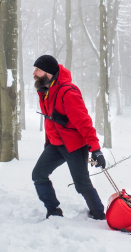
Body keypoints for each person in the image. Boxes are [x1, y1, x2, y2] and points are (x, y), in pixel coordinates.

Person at [32, 55, 107, 220]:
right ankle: (53, 211)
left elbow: (84, 122)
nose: (34, 73)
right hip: (56, 144)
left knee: (82, 184)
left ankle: (99, 215)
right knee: (38, 174)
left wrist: (96, 149)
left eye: (38, 70)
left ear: (49, 73)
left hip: (74, 146)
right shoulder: (44, 89)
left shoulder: (67, 92)